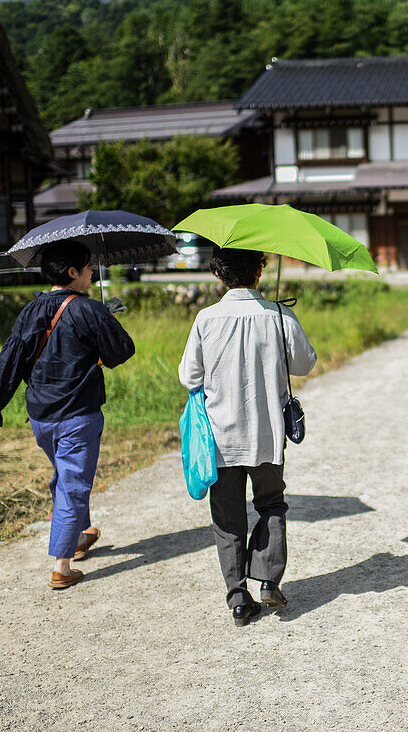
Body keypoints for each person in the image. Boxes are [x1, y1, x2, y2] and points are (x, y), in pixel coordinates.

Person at [0, 240, 135, 589]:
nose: (93, 271)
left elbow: (10, 360)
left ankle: (79, 536)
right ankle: (62, 568)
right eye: (88, 266)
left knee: (65, 479)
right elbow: (121, 352)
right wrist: (106, 319)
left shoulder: (29, 311)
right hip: (78, 417)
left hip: (41, 419)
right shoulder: (88, 310)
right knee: (72, 486)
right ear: (73, 272)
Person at [179, 248, 316, 627]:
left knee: (228, 517)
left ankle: (238, 599)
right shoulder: (278, 315)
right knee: (271, 503)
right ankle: (269, 579)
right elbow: (304, 364)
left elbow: (189, 378)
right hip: (268, 435)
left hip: (220, 439)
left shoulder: (206, 319)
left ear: (218, 275)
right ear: (259, 272)